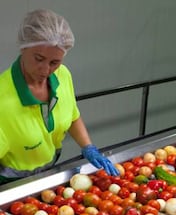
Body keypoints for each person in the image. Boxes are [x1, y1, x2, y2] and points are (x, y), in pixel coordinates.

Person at [0, 9, 118, 185]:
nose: (46, 70)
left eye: (54, 62)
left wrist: (88, 147)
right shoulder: (4, 99)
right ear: (23, 47)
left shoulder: (62, 76)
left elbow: (72, 115)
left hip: (49, 174)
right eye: (38, 59)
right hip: (12, 184)